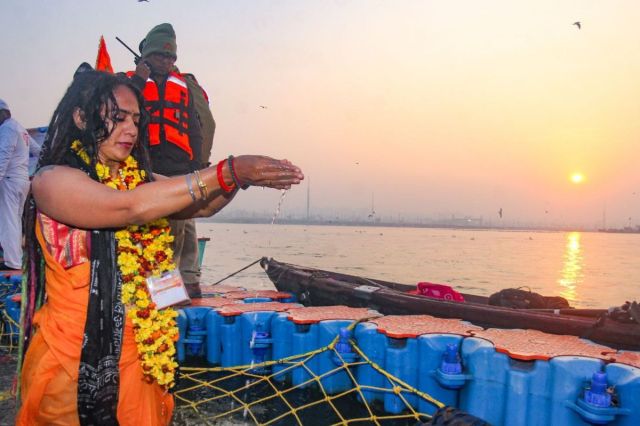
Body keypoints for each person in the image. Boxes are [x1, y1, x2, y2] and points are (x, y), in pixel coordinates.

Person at [17, 71, 303, 425]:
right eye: (118, 118)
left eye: (136, 120)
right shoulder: (52, 180)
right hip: (72, 358)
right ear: (80, 117)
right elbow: (128, 207)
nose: (132, 130)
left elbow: (201, 206)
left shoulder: (140, 180)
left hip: (141, 353)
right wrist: (226, 171)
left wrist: (236, 179)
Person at [129, 23, 206, 298]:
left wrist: (198, 164)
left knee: (184, 226)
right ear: (146, 56)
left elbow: (195, 128)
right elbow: (122, 110)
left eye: (171, 57)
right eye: (160, 56)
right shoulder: (130, 81)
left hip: (181, 167)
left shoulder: (183, 86)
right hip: (148, 166)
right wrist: (139, 79)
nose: (166, 61)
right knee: (162, 232)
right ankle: (166, 294)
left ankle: (188, 283)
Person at [0, 98, 33, 270]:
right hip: (22, 181)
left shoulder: (7, 129)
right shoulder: (20, 128)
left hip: (10, 181)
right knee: (15, 221)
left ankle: (12, 262)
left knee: (8, 221)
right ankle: (17, 259)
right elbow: (36, 150)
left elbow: (3, 156)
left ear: (3, 113)